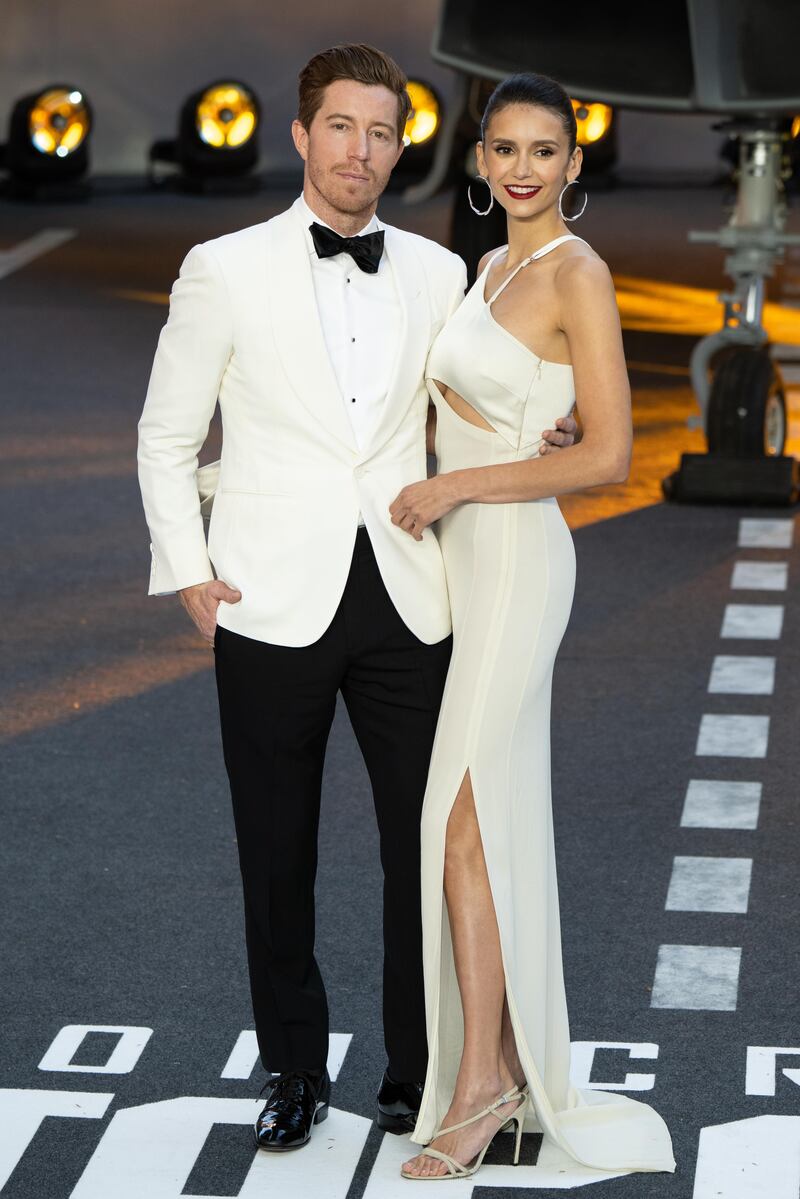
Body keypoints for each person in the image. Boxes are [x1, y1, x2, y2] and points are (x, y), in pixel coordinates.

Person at [137, 45, 576, 1154]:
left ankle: (417, 1065)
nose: (361, 150)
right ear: (300, 134)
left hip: (407, 589)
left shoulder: (437, 272)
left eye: (381, 132)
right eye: (341, 127)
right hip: (266, 593)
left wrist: (551, 425)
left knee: (419, 844)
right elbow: (165, 434)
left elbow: (482, 392)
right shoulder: (221, 266)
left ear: (400, 145)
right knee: (275, 848)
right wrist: (189, 570)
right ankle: (290, 1066)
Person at [393, 73, 676, 1181]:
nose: (520, 168)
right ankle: (495, 1063)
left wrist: (462, 487)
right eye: (502, 148)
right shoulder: (485, 265)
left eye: (542, 151)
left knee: (460, 822)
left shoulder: (577, 274)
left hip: (514, 561)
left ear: (573, 164)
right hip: (464, 560)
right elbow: (494, 411)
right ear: (477, 157)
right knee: (483, 820)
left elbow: (606, 455)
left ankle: (481, 1086)